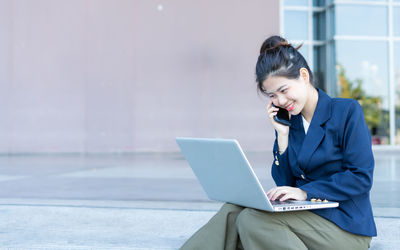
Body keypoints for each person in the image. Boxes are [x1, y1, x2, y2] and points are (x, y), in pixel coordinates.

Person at [180, 35, 376, 250]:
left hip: (344, 226)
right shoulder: (291, 122)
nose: (280, 101)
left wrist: (306, 193)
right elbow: (284, 182)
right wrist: (282, 137)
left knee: (253, 221)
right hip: (303, 217)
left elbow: (360, 177)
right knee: (234, 209)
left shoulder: (345, 111)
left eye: (284, 90)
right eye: (272, 95)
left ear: (303, 76)